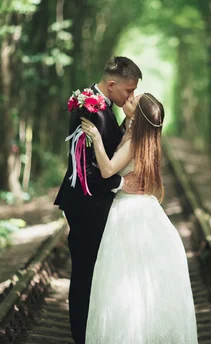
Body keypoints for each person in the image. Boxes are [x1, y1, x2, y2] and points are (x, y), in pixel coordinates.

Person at [80, 93, 198, 344]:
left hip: (128, 212)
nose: (129, 99)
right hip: (138, 208)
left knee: (125, 281)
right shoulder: (136, 136)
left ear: (138, 116)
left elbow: (108, 169)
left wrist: (97, 140)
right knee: (132, 281)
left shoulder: (135, 141)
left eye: (135, 100)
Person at [54, 56, 142, 344]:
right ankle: (82, 336)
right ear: (112, 84)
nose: (131, 97)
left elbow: (111, 146)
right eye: (129, 91)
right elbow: (85, 166)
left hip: (95, 203)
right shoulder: (87, 107)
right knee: (84, 273)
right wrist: (121, 183)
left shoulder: (105, 106)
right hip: (85, 204)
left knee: (96, 271)